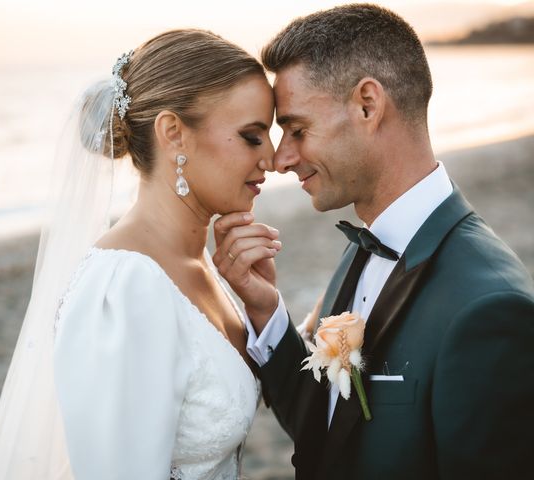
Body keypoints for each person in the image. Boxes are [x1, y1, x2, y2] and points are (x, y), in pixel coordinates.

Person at [213, 4, 534, 479]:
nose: (281, 159)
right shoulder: (364, 243)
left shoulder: (488, 309)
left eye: (298, 130)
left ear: (368, 104)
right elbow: (326, 426)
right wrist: (265, 310)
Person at [0, 29, 277, 480]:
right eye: (252, 137)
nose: (272, 159)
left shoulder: (204, 266)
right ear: (173, 133)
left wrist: (265, 307)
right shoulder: (123, 289)